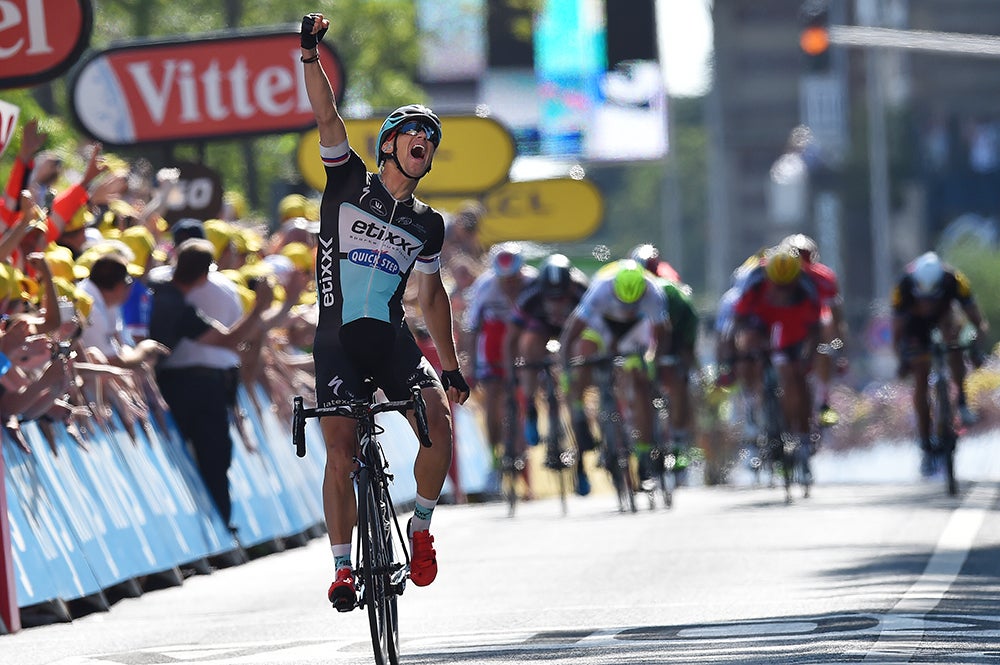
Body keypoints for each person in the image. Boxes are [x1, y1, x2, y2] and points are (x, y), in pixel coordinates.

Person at [300, 12, 470, 612]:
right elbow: (327, 115)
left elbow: (433, 295)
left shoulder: (428, 224)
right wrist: (309, 55)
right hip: (338, 338)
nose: (424, 141)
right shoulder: (348, 182)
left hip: (393, 338)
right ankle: (344, 567)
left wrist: (448, 368)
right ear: (390, 145)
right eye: (413, 133)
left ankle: (420, 527)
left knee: (439, 422)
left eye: (432, 138)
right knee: (341, 449)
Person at [148, 238, 275, 536]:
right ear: (205, 276)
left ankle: (213, 523)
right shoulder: (177, 305)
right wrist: (259, 309)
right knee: (214, 453)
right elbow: (229, 340)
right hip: (191, 388)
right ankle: (221, 523)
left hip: (169, 382)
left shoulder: (160, 288)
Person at [559, 259, 673, 488]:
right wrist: (566, 369)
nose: (628, 308)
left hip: (634, 331)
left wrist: (653, 363)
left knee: (640, 382)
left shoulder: (653, 292)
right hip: (601, 325)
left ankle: (643, 456)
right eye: (625, 303)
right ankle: (581, 414)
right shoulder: (601, 288)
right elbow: (571, 333)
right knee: (583, 354)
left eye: (634, 304)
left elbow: (662, 335)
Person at [891, 251, 989, 475]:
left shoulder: (955, 280)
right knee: (920, 375)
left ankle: (962, 401)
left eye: (933, 297)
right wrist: (902, 359)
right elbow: (896, 332)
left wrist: (975, 347)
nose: (928, 303)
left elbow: (978, 321)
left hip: (946, 318)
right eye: (923, 298)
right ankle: (925, 442)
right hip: (915, 327)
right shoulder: (903, 286)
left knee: (954, 340)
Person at [731, 247, 822, 478]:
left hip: (793, 333)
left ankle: (801, 436)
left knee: (795, 377)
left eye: (787, 287)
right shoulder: (755, 282)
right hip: (761, 327)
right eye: (776, 286)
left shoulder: (807, 288)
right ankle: (754, 412)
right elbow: (738, 320)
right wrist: (743, 351)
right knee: (747, 356)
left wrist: (807, 358)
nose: (781, 292)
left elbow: (815, 331)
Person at [505, 253, 591, 493]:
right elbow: (511, 338)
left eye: (561, 298)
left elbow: (597, 333)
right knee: (528, 342)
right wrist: (513, 373)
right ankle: (531, 405)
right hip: (541, 330)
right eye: (550, 299)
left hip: (572, 332)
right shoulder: (530, 295)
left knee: (579, 361)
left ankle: (582, 467)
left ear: (570, 287)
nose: (556, 304)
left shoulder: (582, 291)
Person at [462, 241, 537, 495]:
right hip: (493, 343)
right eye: (505, 280)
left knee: (523, 399)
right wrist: (471, 364)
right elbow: (472, 328)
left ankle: (525, 460)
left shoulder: (532, 283)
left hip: (523, 343)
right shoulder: (485, 285)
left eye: (514, 279)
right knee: (493, 400)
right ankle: (495, 455)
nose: (510, 285)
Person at [781, 233, 847, 427]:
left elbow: (835, 316)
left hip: (815, 329)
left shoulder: (824, 277)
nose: (802, 262)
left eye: (805, 256)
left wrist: (839, 347)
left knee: (824, 344)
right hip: (789, 328)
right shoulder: (779, 275)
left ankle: (824, 400)